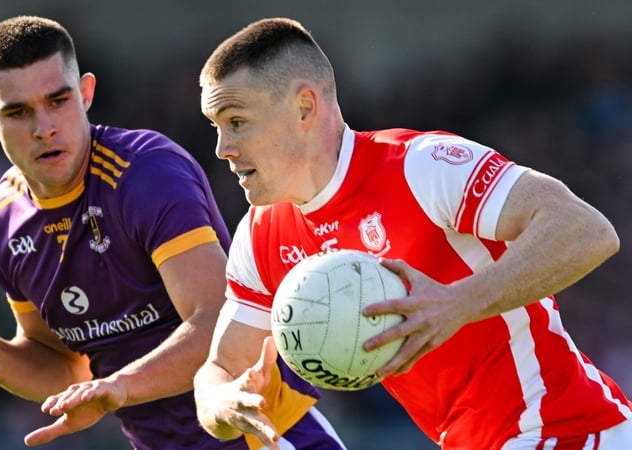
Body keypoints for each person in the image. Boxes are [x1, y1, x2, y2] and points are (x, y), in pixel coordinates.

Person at [192, 17, 632, 450]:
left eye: (237, 122)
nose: (222, 149)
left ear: (304, 107)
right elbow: (221, 367)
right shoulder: (260, 234)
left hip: (570, 431)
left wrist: (459, 303)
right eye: (217, 127)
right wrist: (223, 404)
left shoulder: (420, 165)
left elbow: (586, 229)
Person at [0, 16, 247, 449]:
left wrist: (121, 386)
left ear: (86, 93)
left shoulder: (146, 174)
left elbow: (220, 320)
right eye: (18, 112)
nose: (43, 127)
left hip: (267, 433)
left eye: (58, 101)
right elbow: (66, 366)